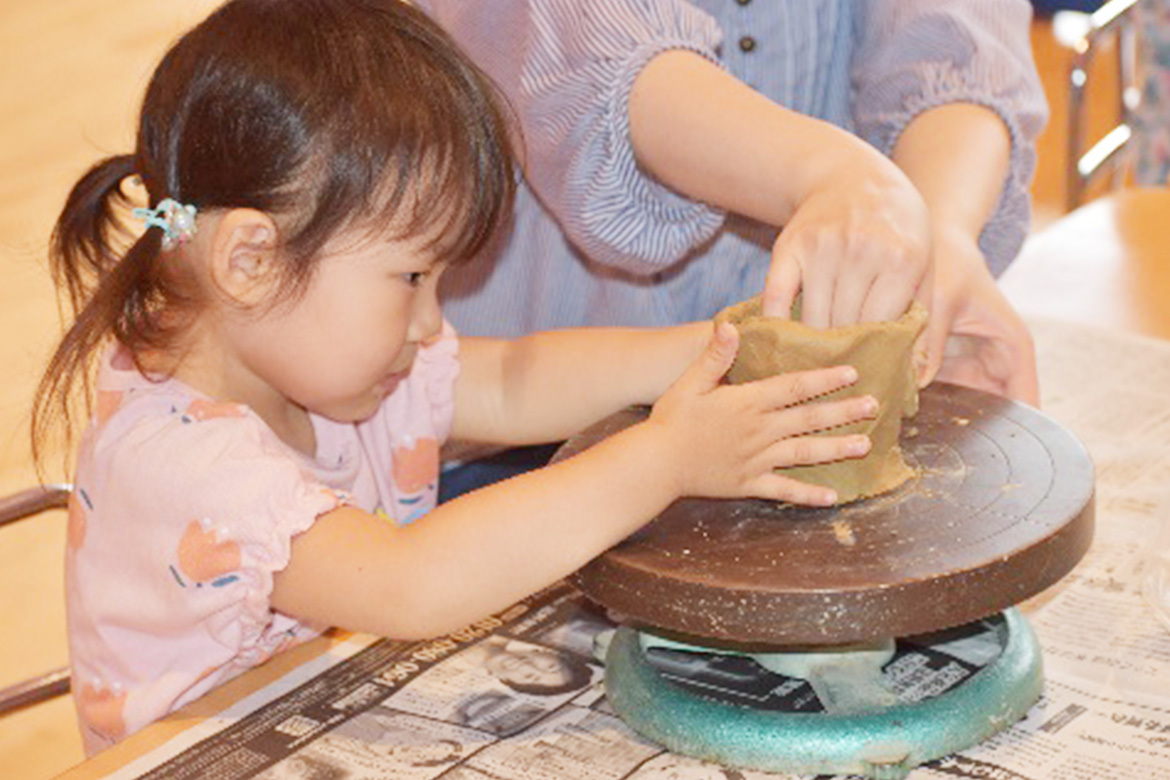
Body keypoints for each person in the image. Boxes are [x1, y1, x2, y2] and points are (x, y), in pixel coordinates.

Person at [33, 0, 881, 755]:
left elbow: (514, 378)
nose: (435, 323)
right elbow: (412, 583)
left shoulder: (319, 361)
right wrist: (666, 458)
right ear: (250, 261)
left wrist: (717, 346)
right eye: (411, 279)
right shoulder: (182, 465)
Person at [417, 0, 1048, 407]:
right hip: (515, 422)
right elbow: (583, 53)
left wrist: (940, 234)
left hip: (822, 410)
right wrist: (835, 174)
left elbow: (959, 44)